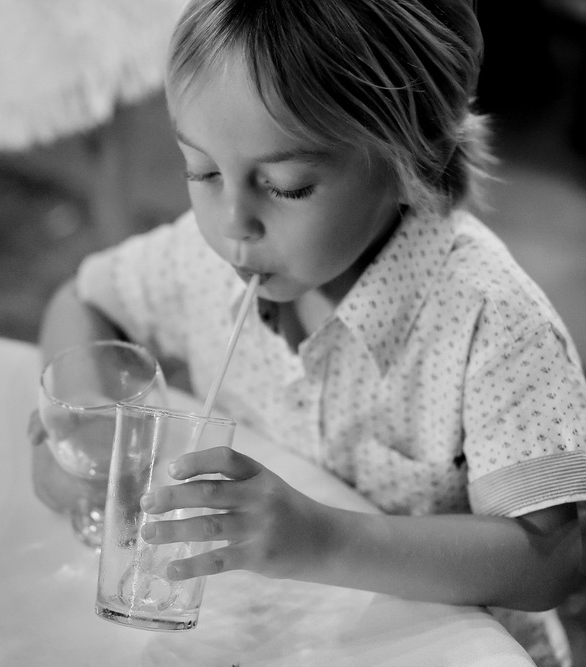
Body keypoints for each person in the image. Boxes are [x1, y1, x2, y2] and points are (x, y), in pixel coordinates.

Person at [29, 1, 586, 663]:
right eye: (202, 171)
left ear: (417, 148)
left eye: (286, 185)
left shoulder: (490, 320)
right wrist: (81, 431)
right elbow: (81, 300)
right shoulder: (202, 261)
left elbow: (552, 558)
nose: (233, 219)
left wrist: (321, 539)